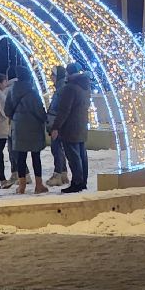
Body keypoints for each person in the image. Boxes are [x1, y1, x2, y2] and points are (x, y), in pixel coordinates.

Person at [4, 67, 49, 194]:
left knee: (21, 157)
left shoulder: (12, 91)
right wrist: (45, 119)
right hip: (34, 128)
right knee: (36, 156)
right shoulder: (33, 92)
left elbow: (7, 110)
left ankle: (22, 186)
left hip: (18, 128)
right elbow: (40, 111)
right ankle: (39, 185)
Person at [50, 62, 92, 193]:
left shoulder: (70, 88)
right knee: (81, 155)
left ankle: (77, 183)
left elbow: (64, 110)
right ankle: (82, 181)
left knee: (73, 157)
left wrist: (56, 127)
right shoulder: (85, 86)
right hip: (81, 125)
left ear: (68, 73)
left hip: (70, 127)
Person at [45, 65, 70, 188]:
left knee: (57, 149)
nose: (51, 77)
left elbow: (59, 110)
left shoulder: (61, 90)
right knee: (59, 149)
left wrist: (55, 127)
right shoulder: (61, 88)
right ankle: (63, 174)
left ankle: (58, 174)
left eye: (53, 75)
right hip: (59, 123)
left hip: (57, 124)